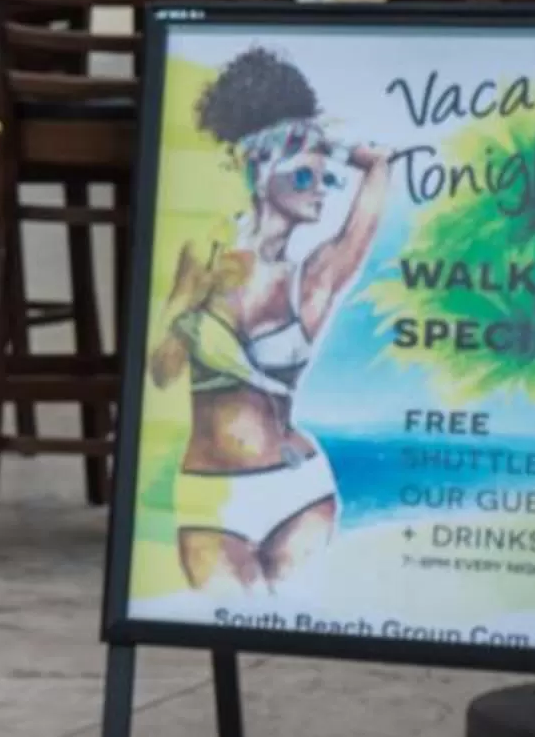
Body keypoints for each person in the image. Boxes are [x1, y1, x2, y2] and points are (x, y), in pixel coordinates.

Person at [148, 46, 393, 595]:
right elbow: (161, 373)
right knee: (224, 614)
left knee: (292, 625)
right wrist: (190, 300)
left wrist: (347, 151)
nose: (321, 190)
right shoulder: (202, 258)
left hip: (300, 487)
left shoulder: (313, 278)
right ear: (260, 172)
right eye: (304, 177)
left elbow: (372, 188)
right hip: (212, 490)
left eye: (326, 177)